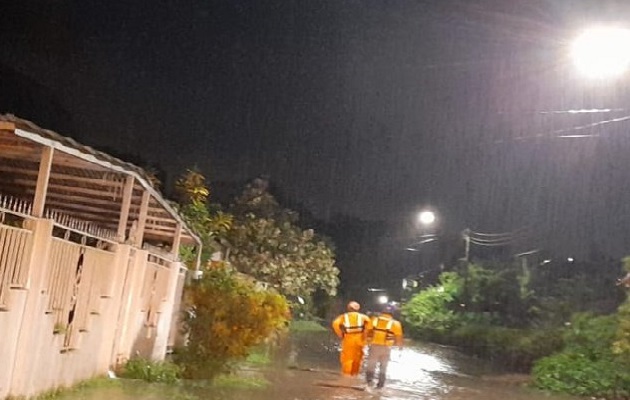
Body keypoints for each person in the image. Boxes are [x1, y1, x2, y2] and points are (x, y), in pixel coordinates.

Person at [365, 304, 403, 389]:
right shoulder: (396, 324)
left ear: (382, 311)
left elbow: (366, 332)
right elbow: (399, 338)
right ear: (392, 313)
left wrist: (365, 342)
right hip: (386, 348)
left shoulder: (374, 320)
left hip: (374, 346)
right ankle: (380, 386)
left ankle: (368, 383)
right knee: (383, 367)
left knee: (371, 365)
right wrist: (400, 347)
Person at [331, 301, 372, 377]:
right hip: (360, 339)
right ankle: (354, 376)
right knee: (358, 359)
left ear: (348, 308)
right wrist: (366, 338)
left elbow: (335, 324)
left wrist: (340, 334)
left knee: (347, 359)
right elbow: (369, 328)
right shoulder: (364, 317)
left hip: (348, 339)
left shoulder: (343, 317)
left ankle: (346, 377)